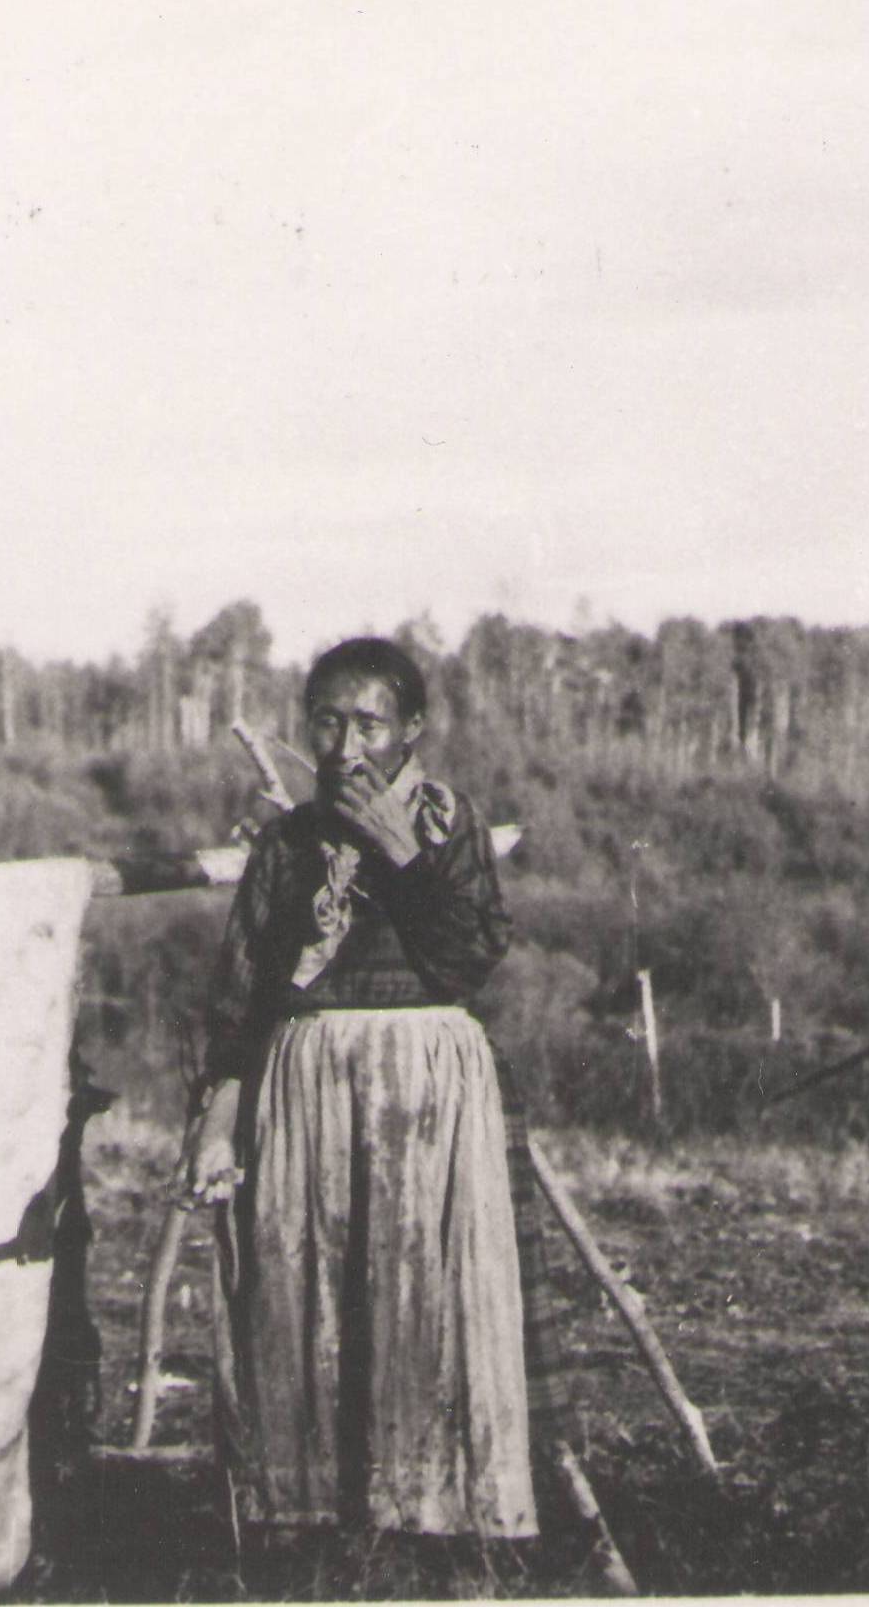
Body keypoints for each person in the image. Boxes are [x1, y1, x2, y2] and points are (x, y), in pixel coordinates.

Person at [184, 637, 581, 1556]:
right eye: (327, 720)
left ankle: (436, 1535)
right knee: (302, 1294)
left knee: (424, 1291)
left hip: (423, 1088)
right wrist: (215, 1125)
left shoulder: (449, 827)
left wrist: (402, 858)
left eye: (369, 722)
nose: (345, 744)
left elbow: (465, 958)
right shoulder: (288, 844)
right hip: (306, 1088)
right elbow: (242, 995)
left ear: (412, 730)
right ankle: (313, 1534)